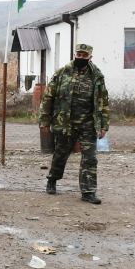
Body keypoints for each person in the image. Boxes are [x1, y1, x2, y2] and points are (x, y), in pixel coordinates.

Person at [39, 43, 110, 204]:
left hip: (88, 123)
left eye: (84, 55)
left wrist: (104, 125)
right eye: (79, 54)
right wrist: (44, 120)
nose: (81, 57)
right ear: (74, 54)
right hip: (65, 122)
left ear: (90, 57)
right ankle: (52, 179)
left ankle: (88, 192)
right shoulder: (62, 72)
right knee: (60, 153)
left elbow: (103, 101)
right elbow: (48, 98)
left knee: (90, 158)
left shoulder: (97, 76)